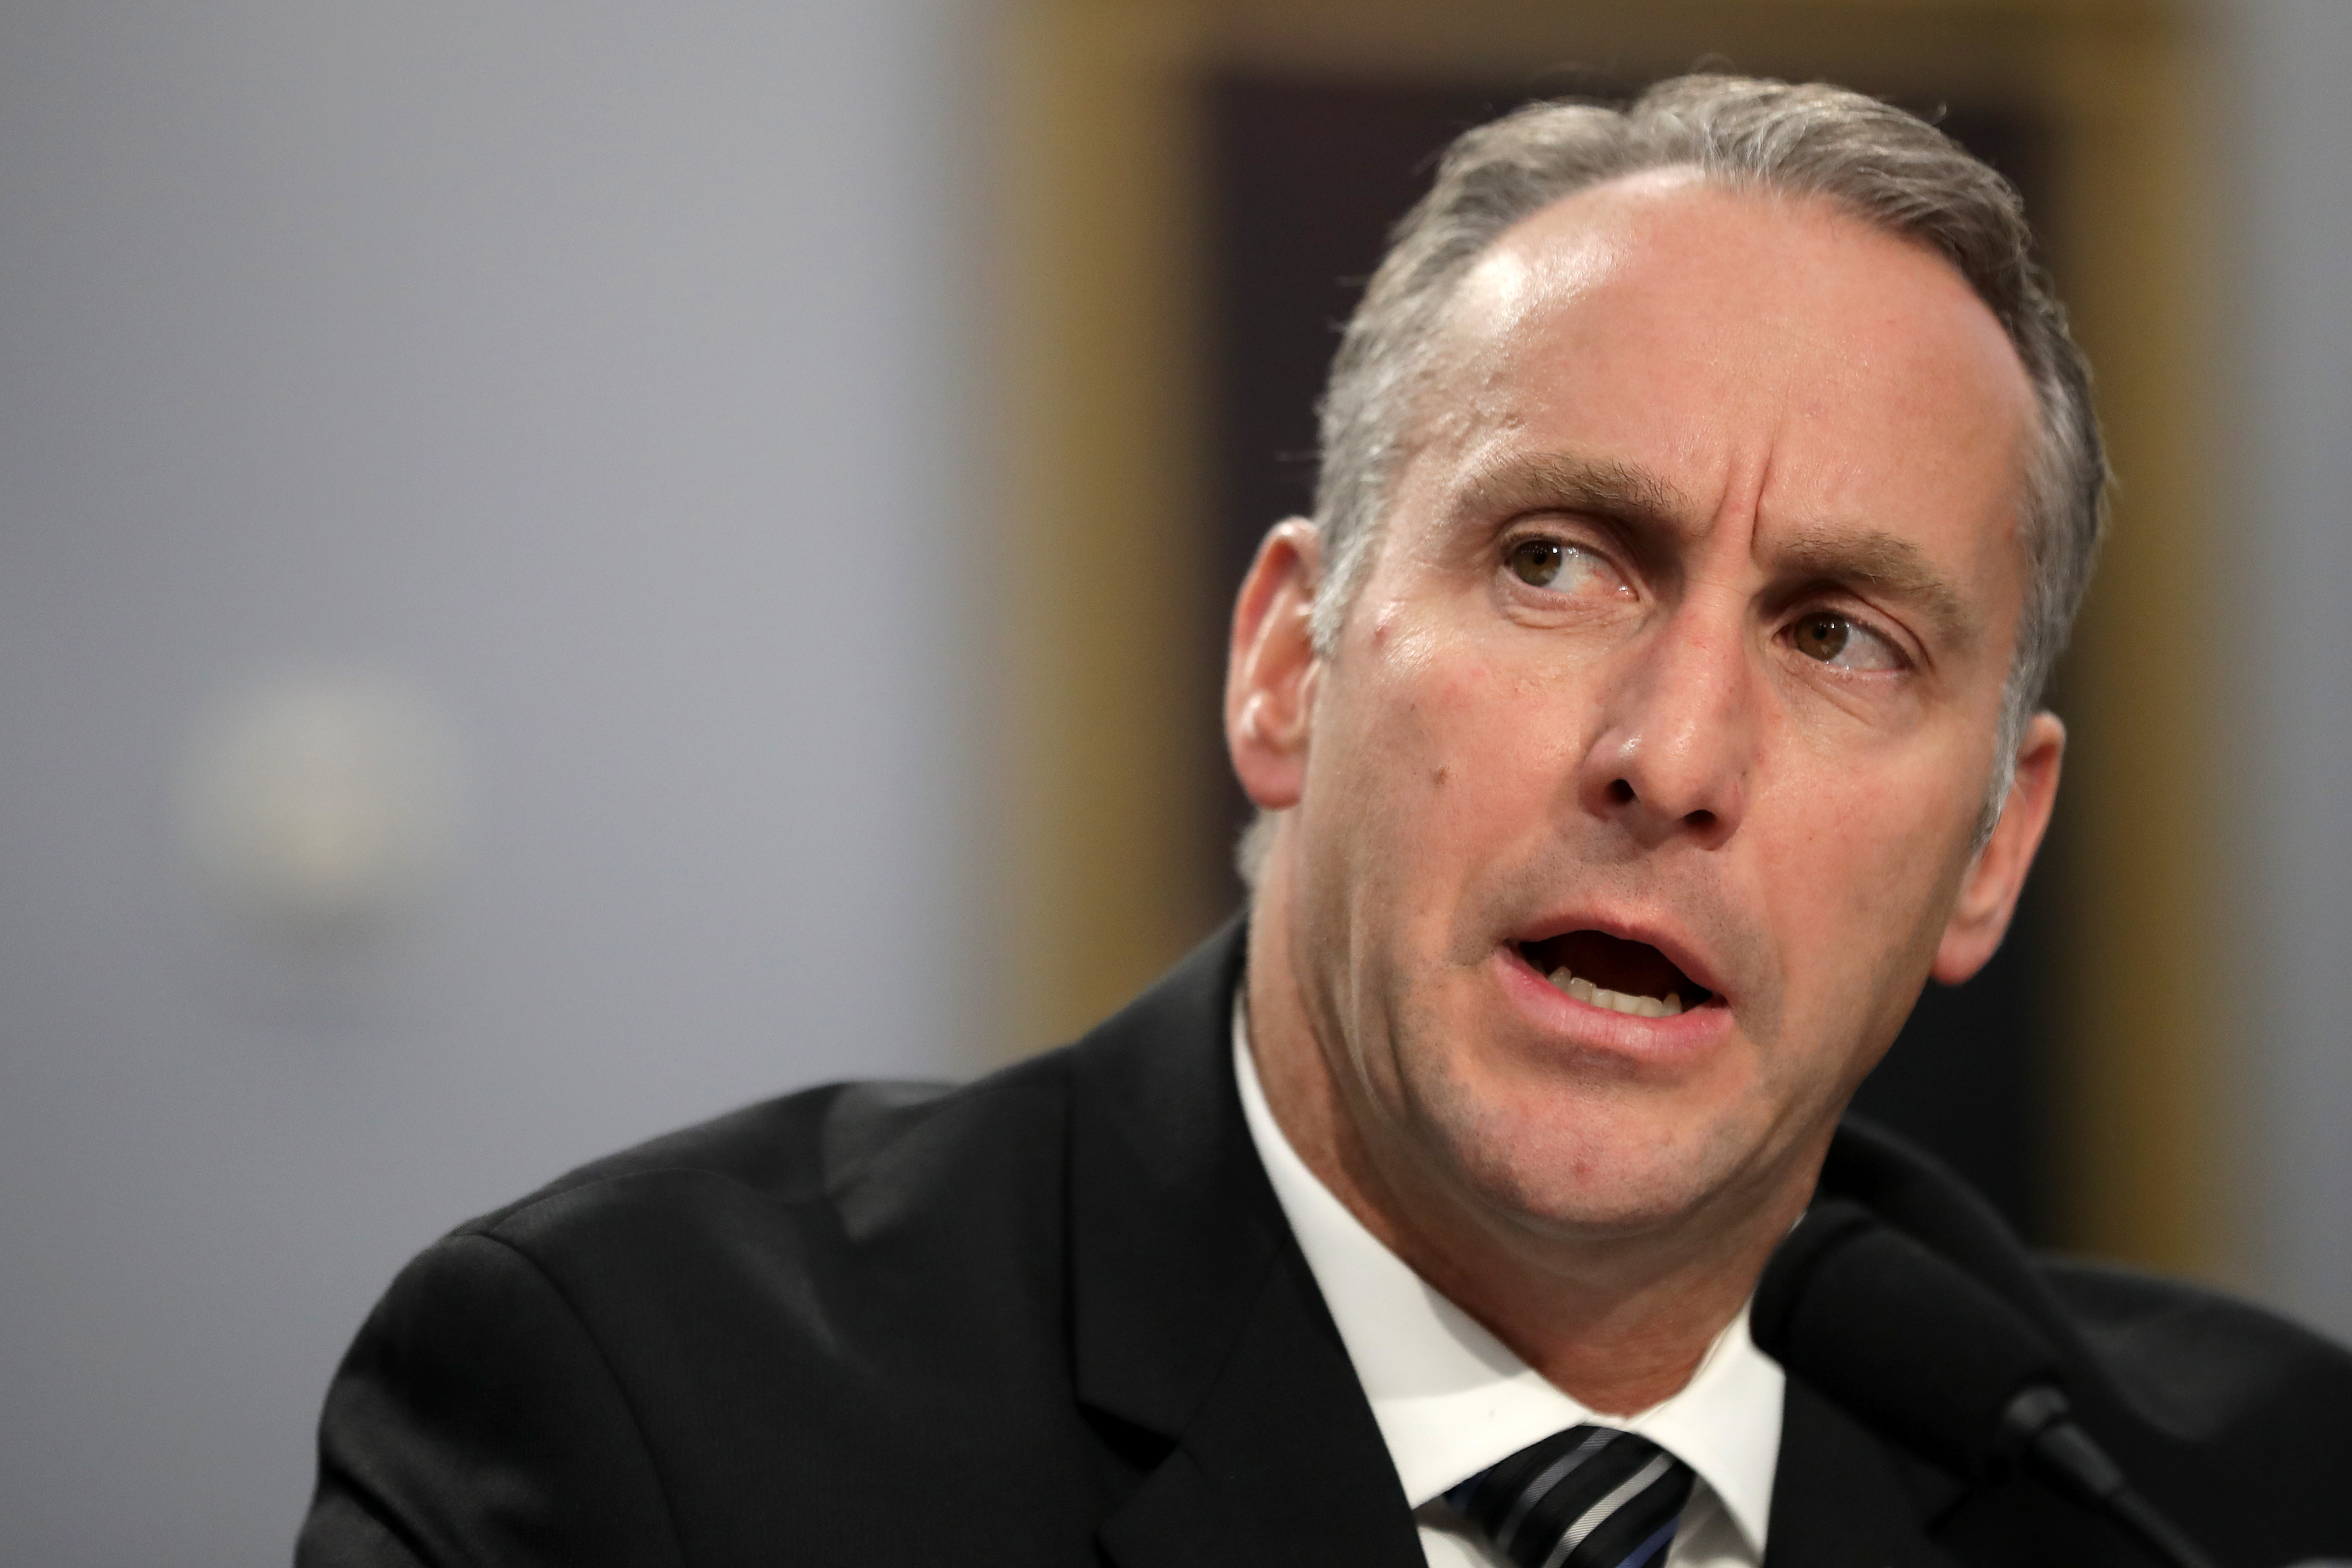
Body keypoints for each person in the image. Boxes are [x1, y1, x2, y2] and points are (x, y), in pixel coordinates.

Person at [296, 74, 2352, 1568]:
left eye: (1838, 634)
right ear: (1291, 662)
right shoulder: (651, 1416)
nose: (1672, 751)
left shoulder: (2228, 1493)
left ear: (1992, 846)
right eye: (1557, 560)